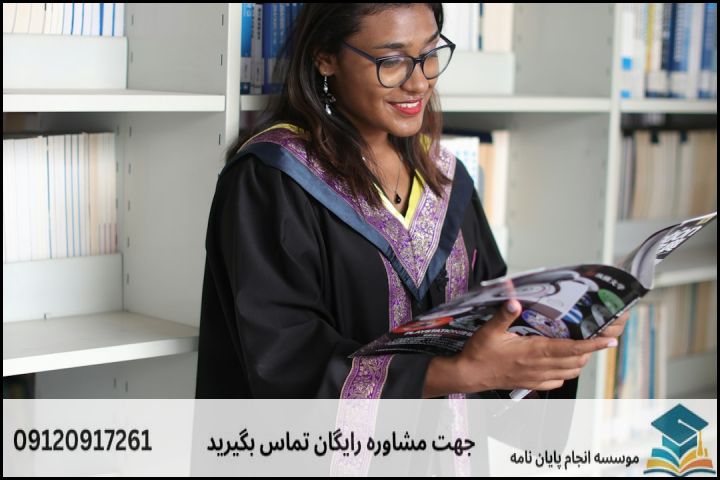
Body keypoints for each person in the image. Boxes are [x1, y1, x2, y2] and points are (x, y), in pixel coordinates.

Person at [195, 3, 628, 399]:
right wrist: (457, 373)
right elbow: (284, 362)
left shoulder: (445, 177)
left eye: (429, 54)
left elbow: (491, 319)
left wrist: (563, 329)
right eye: (392, 61)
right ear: (325, 57)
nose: (419, 82)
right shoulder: (272, 181)